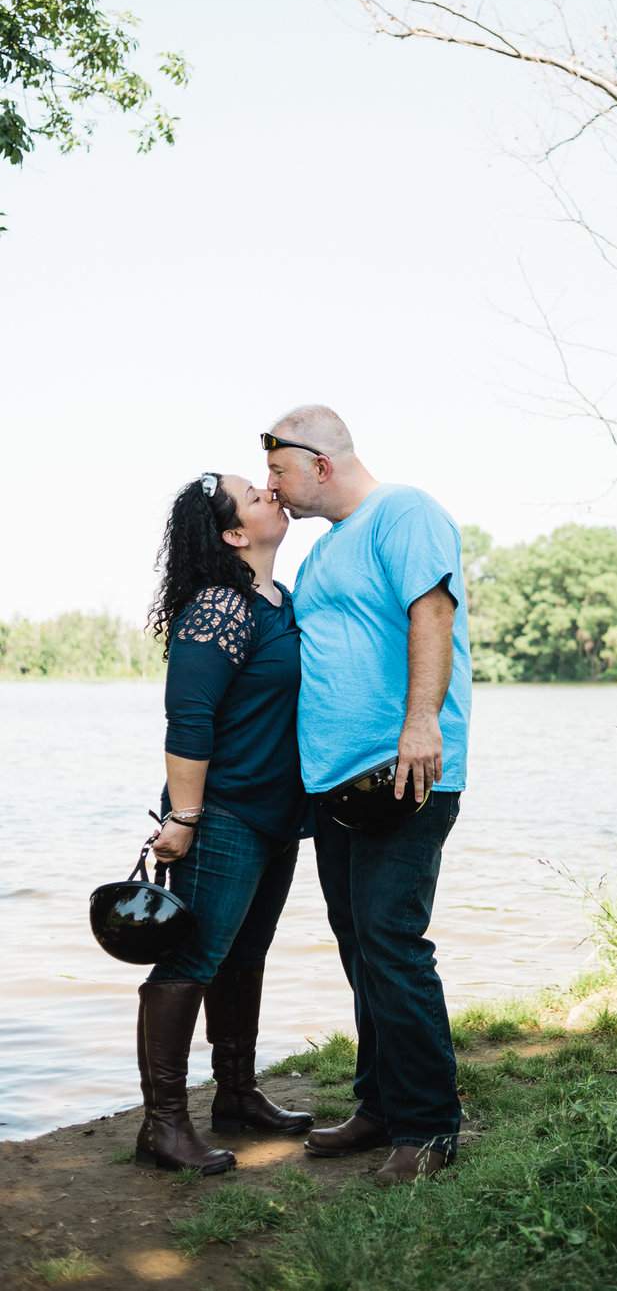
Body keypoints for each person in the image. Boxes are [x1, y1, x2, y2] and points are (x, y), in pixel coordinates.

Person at [262, 406, 471, 1185]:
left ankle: (429, 1130)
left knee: (392, 944)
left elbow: (433, 612)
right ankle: (380, 1105)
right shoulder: (324, 553)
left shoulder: (404, 512)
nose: (273, 488)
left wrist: (421, 724)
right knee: (360, 946)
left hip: (404, 772)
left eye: (279, 471)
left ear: (319, 462)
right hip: (336, 784)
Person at [137, 472, 313, 1174]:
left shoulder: (278, 600)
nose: (273, 492)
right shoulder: (218, 607)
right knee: (189, 961)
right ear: (235, 534)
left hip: (277, 814)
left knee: (245, 954)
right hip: (223, 815)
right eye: (255, 495)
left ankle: (236, 1095)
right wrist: (183, 819)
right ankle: (164, 1126)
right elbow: (190, 719)